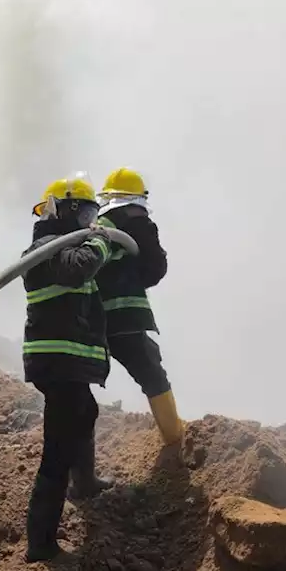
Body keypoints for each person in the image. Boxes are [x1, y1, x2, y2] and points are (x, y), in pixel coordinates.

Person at [21, 173, 117, 562]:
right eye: (86, 214)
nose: (90, 223)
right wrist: (100, 239)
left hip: (67, 363)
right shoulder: (46, 247)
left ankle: (86, 483)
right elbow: (79, 268)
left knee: (86, 412)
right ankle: (40, 545)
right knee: (57, 452)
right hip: (57, 362)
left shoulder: (63, 246)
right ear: (63, 210)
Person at [95, 167, 185, 446]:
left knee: (79, 384)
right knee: (151, 370)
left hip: (90, 318)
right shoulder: (137, 221)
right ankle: (175, 439)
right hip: (125, 316)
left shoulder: (93, 225)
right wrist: (134, 276)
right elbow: (156, 268)